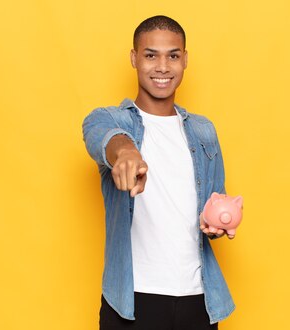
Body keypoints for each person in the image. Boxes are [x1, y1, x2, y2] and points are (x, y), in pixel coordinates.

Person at [82, 15, 236, 329]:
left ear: (185, 60)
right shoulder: (114, 121)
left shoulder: (204, 131)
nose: (162, 67)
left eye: (173, 56)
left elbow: (212, 202)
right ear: (134, 58)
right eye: (151, 55)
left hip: (199, 299)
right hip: (133, 300)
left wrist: (215, 223)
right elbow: (100, 135)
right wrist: (124, 151)